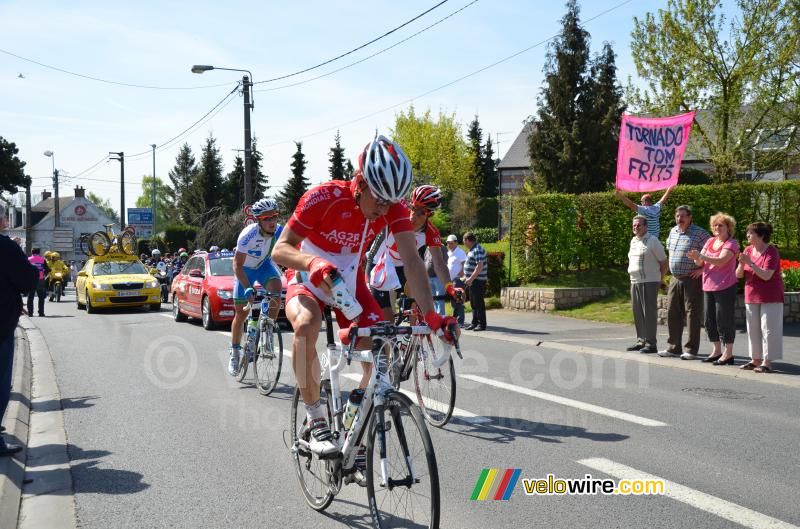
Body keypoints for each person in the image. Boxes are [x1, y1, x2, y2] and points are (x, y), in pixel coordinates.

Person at [271, 135, 458, 459]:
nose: (384, 209)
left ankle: (351, 427)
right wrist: (312, 262)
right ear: (359, 182)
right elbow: (281, 249)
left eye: (391, 202)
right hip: (306, 272)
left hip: (349, 282)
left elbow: (413, 261)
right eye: (379, 200)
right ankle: (316, 419)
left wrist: (431, 316)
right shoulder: (322, 197)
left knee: (382, 357)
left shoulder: (394, 208)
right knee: (307, 323)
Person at [368, 184, 461, 322]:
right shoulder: (396, 216)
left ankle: (412, 341)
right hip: (378, 266)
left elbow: (439, 263)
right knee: (387, 319)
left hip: (403, 269)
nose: (412, 216)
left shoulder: (430, 232)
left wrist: (450, 288)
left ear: (430, 214)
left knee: (417, 309)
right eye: (412, 208)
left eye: (420, 213)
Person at [227, 198, 283, 375]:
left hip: (263, 266)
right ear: (259, 220)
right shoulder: (248, 235)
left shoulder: (279, 231)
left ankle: (267, 331)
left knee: (276, 291)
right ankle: (235, 352)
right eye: (267, 219)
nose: (272, 222)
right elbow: (237, 265)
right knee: (241, 313)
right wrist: (247, 287)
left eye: (274, 217)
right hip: (245, 271)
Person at [0, 203, 38, 456]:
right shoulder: (5, 247)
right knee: (1, 380)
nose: (5, 219)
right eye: (2, 215)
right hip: (0, 326)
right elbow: (27, 279)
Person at [687, 212, 739, 364]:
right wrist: (696, 257)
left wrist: (701, 257)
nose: (717, 227)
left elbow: (721, 261)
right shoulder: (710, 241)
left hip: (725, 286)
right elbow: (699, 264)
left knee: (724, 320)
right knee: (709, 320)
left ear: (728, 227)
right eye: (715, 225)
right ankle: (716, 350)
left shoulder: (732, 243)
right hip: (708, 285)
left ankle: (728, 353)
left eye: (720, 225)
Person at [659, 205, 710, 359]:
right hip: (675, 278)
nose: (679, 219)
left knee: (692, 314)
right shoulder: (673, 231)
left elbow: (713, 253)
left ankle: (691, 350)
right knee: (673, 313)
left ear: (690, 217)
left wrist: (702, 270)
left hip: (692, 279)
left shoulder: (700, 233)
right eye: (677, 216)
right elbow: (670, 252)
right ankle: (674, 347)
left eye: (683, 216)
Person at [736, 222, 784, 373]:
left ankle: (767, 362)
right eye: (747, 233)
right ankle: (755, 359)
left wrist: (750, 262)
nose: (747, 235)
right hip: (751, 294)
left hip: (771, 295)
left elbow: (766, 275)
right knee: (753, 329)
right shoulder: (748, 250)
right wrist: (741, 263)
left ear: (761, 235)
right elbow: (738, 275)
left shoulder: (772, 252)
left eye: (750, 233)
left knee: (769, 329)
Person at [626, 215, 668, 354]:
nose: (635, 227)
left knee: (649, 313)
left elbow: (663, 262)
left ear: (645, 226)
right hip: (635, 281)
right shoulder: (633, 241)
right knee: (637, 313)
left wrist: (660, 279)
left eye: (638, 225)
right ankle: (641, 340)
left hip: (649, 281)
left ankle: (651, 344)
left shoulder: (652, 240)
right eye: (634, 225)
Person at [463, 232, 488, 331]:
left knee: (478, 303)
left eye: (464, 241)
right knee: (473, 303)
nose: (464, 244)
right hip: (473, 281)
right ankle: (474, 322)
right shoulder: (472, 249)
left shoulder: (478, 249)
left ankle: (482, 324)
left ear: (468, 240)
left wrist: (471, 278)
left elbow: (479, 266)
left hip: (477, 281)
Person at [446, 234, 467, 326]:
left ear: (456, 243)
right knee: (453, 300)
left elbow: (464, 264)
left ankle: (460, 321)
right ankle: (456, 319)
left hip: (457, 280)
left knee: (458, 299)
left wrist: (461, 273)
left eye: (450, 243)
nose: (449, 244)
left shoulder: (460, 252)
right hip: (450, 280)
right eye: (447, 243)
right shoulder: (449, 252)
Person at [27, 248, 48, 317]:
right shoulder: (42, 260)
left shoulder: (28, 259)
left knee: (30, 297)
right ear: (39, 252)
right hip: (40, 280)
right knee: (41, 297)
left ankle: (30, 313)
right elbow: (47, 270)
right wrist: (45, 275)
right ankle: (41, 313)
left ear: (32, 252)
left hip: (30, 280)